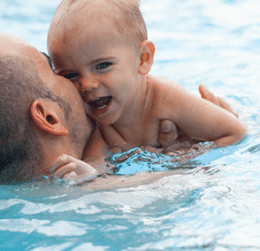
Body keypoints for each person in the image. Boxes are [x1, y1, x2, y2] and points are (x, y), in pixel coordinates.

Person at [46, 0, 247, 179]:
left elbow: (235, 132)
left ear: (143, 59)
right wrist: (85, 174)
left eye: (102, 65)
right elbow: (94, 168)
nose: (87, 85)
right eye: (70, 75)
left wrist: (188, 159)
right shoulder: (96, 122)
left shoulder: (167, 99)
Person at [0, 33, 238, 183]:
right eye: (59, 71)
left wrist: (196, 137)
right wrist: (200, 157)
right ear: (49, 118)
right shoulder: (96, 195)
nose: (85, 85)